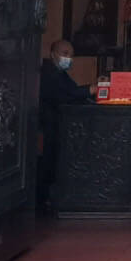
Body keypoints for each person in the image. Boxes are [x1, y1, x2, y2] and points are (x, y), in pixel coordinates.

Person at [36, 39, 91, 207]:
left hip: (57, 124)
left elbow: (72, 89)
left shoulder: (59, 72)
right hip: (46, 124)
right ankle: (41, 199)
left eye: (71, 55)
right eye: (65, 54)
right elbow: (63, 95)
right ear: (53, 54)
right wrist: (90, 90)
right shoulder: (47, 73)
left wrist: (89, 91)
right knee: (46, 164)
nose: (69, 58)